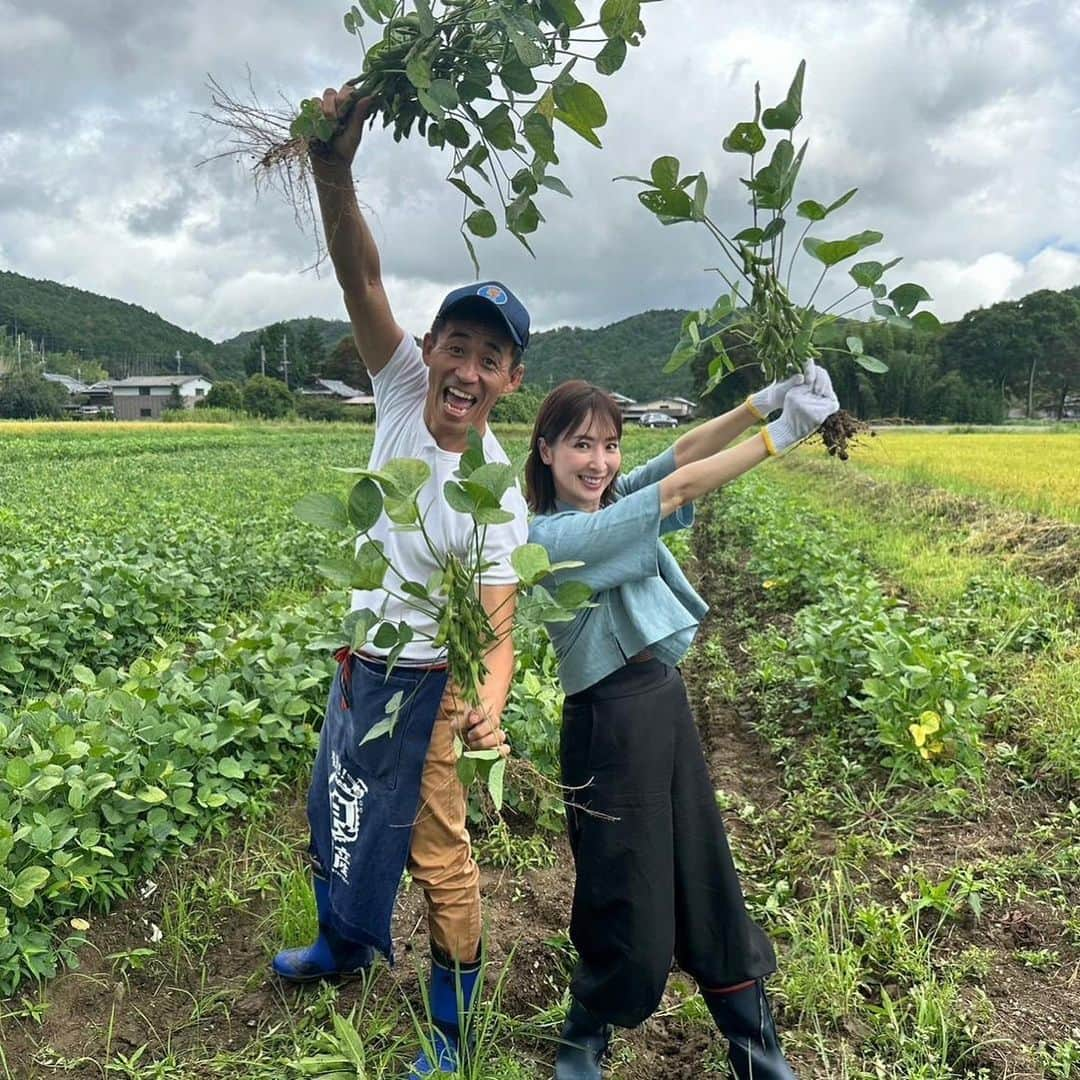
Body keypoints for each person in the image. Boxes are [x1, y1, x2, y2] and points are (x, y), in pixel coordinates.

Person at [271, 88, 528, 1079]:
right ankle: (341, 948)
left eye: (490, 357)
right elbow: (361, 276)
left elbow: (498, 623)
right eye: (457, 344)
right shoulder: (401, 386)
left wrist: (490, 703)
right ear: (430, 351)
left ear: (510, 382)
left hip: (432, 683)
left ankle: (452, 1032)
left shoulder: (499, 491)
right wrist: (333, 171)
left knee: (436, 854)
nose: (466, 367)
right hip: (360, 665)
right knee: (339, 802)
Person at [524, 368, 839, 1079]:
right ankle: (587, 1031)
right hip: (608, 729)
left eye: (610, 445)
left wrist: (759, 402)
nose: (600, 462)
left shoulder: (608, 500)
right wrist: (784, 433)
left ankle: (755, 1048)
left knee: (706, 880)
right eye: (581, 445)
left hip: (664, 706)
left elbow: (682, 456)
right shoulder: (554, 536)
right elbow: (682, 489)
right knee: (625, 898)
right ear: (545, 450)